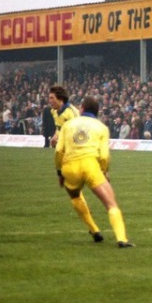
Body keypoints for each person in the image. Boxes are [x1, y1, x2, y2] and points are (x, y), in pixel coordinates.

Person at [55, 96, 134, 248]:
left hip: (70, 167)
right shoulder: (102, 127)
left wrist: (59, 172)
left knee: (75, 195)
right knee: (111, 204)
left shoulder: (68, 125)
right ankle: (122, 239)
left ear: (82, 109)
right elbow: (104, 156)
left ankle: (94, 230)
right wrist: (104, 171)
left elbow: (59, 151)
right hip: (90, 165)